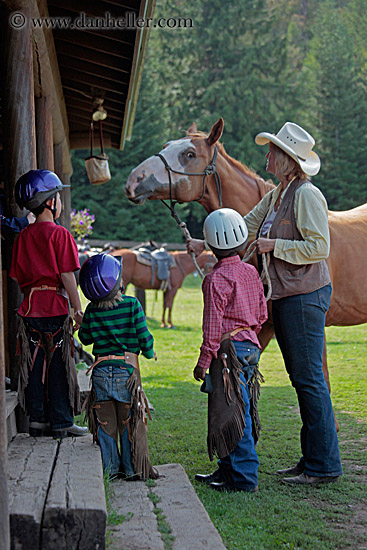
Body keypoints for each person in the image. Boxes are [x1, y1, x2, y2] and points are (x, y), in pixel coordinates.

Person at [189, 122, 343, 486]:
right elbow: (243, 228)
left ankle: (324, 466)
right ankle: (312, 461)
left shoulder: (307, 195)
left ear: (288, 159)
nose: (266, 156)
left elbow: (320, 247)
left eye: (272, 151)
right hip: (288, 296)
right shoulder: (278, 194)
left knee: (310, 381)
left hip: (305, 296)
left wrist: (276, 247)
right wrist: (208, 242)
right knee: (302, 379)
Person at [193, 208, 267, 493]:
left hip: (227, 354)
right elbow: (261, 315)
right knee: (238, 410)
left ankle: (244, 479)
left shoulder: (215, 280)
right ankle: (227, 471)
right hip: (249, 348)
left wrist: (203, 361)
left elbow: (212, 328)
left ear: (211, 245)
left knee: (231, 414)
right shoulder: (250, 271)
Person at [10, 169, 88, 438]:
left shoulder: (22, 237)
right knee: (58, 364)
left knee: (34, 363)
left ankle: (37, 419)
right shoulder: (61, 235)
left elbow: (19, 278)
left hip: (30, 308)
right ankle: (62, 421)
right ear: (50, 202)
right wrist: (78, 310)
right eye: (58, 196)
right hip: (55, 307)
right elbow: (67, 275)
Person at [78, 253, 158, 480]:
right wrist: (150, 353)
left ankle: (110, 469)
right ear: (117, 282)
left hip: (101, 372)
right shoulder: (132, 304)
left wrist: (83, 319)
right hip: (126, 373)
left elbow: (85, 338)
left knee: (105, 423)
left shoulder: (92, 310)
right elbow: (144, 337)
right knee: (127, 421)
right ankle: (131, 469)